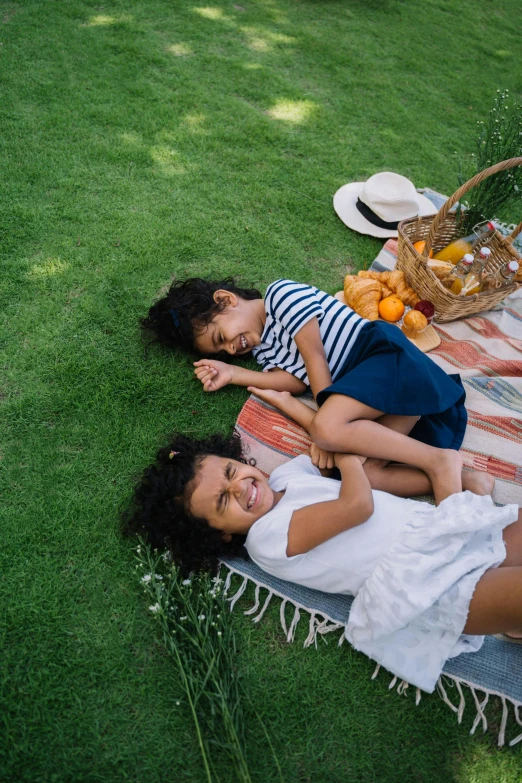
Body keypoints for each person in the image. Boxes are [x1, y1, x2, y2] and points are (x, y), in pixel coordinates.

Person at [124, 417, 520, 693]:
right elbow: (358, 504)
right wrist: (345, 454)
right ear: (221, 534)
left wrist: (291, 405)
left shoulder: (285, 478)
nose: (241, 488)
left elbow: (332, 456)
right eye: (223, 502)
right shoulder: (266, 539)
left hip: (434, 531)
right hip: (425, 584)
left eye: (231, 473)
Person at [141, 277, 467, 490]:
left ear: (226, 299)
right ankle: (465, 480)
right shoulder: (264, 350)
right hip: (382, 397)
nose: (231, 349)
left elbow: (315, 360)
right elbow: (292, 382)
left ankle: (438, 462)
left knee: (328, 431)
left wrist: (326, 432)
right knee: (359, 474)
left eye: (221, 337)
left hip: (383, 359)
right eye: (222, 351)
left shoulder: (281, 295)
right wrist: (233, 374)